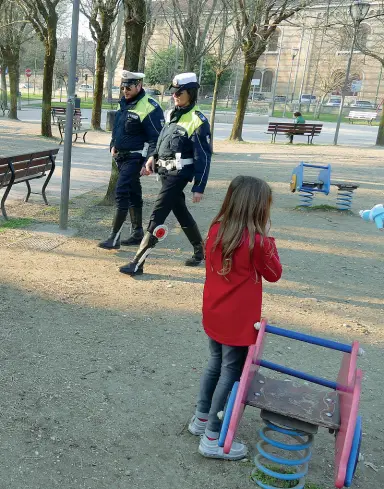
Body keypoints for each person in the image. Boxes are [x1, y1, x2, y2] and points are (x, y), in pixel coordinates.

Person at [188, 176, 283, 460]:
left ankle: (201, 419)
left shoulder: (216, 230)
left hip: (215, 312)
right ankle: (213, 438)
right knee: (230, 373)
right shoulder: (257, 243)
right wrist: (269, 240)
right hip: (239, 322)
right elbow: (275, 273)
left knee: (215, 364)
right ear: (258, 208)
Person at [119, 72, 212, 276]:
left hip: (179, 174)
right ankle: (199, 251)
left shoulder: (198, 121)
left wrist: (199, 186)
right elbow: (161, 140)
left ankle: (138, 262)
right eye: (174, 92)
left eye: (180, 92)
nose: (175, 95)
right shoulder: (170, 114)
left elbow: (204, 156)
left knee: (158, 213)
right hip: (165, 172)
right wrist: (152, 157)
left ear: (192, 93)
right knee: (180, 211)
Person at [98, 70, 164, 250]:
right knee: (134, 193)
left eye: (129, 87)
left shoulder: (150, 106)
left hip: (136, 157)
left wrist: (149, 161)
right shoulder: (123, 104)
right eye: (123, 86)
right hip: (121, 156)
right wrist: (113, 143)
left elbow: (156, 138)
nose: (125, 90)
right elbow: (117, 128)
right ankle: (137, 232)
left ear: (139, 86)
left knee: (121, 192)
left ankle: (114, 237)